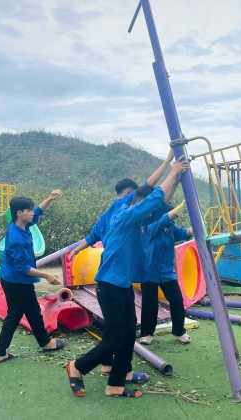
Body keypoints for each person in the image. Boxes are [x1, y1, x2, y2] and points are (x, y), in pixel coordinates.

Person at [65, 157, 189, 399]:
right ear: (136, 202)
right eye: (144, 205)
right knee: (115, 338)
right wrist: (172, 171)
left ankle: (116, 382)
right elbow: (154, 198)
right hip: (109, 286)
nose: (148, 210)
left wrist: (176, 178)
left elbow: (161, 204)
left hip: (122, 286)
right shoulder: (123, 216)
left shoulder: (140, 222)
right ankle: (78, 366)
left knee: (129, 333)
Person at [0, 190, 68, 363]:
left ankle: (1, 352)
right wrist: (46, 275)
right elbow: (22, 268)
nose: (32, 213)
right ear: (20, 213)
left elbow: (38, 212)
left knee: (17, 313)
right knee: (30, 312)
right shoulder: (15, 238)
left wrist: (50, 198)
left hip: (12, 279)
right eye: (28, 210)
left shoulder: (20, 225)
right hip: (16, 281)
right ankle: (45, 343)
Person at [68, 149, 175, 257]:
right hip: (126, 258)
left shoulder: (104, 217)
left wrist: (75, 251)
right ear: (129, 192)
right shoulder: (127, 203)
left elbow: (90, 238)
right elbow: (150, 183)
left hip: (110, 259)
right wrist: (168, 162)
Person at [139, 200, 193, 345]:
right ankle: (147, 334)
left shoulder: (170, 228)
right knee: (150, 303)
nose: (173, 219)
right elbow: (163, 220)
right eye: (172, 216)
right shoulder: (151, 226)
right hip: (149, 271)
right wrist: (179, 208)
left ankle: (179, 331)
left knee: (177, 301)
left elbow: (182, 232)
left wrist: (191, 230)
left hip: (167, 273)